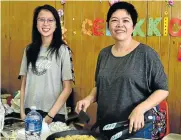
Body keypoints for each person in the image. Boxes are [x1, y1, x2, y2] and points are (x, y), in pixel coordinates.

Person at [75, 1, 169, 139]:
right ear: (108, 25)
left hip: (136, 127)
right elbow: (100, 86)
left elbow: (163, 89)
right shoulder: (104, 54)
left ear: (133, 26)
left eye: (125, 20)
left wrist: (140, 109)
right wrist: (89, 99)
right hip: (106, 125)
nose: (119, 25)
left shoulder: (146, 54)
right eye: (114, 20)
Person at [19, 4, 74, 124]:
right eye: (41, 19)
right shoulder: (28, 50)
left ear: (56, 25)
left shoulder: (63, 50)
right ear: (36, 23)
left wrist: (50, 116)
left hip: (54, 114)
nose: (45, 24)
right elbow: (23, 85)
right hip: (31, 112)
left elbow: (68, 88)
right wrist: (22, 112)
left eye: (50, 20)